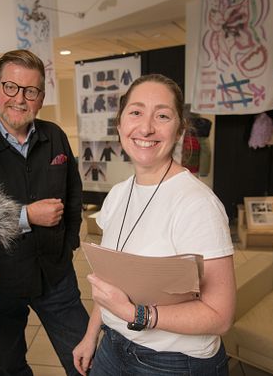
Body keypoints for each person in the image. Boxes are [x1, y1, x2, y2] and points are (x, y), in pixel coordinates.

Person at [72, 74, 235, 375]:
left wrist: (136, 314)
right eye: (135, 112)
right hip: (113, 346)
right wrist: (91, 334)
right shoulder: (120, 194)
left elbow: (220, 316)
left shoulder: (197, 204)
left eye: (162, 115)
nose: (146, 127)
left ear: (179, 130)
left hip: (172, 362)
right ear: (120, 125)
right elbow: (111, 283)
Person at [0, 49, 89, 375]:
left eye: (31, 91)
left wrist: (67, 248)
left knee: (86, 359)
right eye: (11, 87)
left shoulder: (53, 136)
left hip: (55, 276)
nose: (19, 99)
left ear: (41, 98)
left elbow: (74, 194)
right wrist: (26, 216)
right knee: (10, 368)